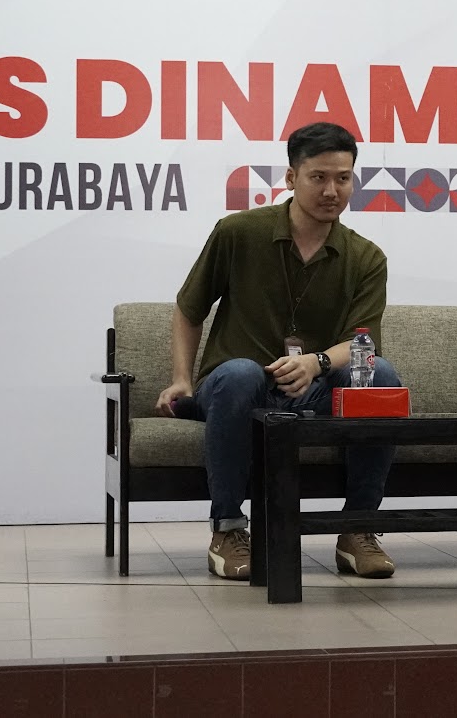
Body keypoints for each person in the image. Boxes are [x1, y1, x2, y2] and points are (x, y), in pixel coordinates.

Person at [156, 122, 400, 580]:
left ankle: (358, 527)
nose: (331, 191)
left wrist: (316, 362)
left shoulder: (366, 257)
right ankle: (228, 530)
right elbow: (189, 308)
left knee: (380, 375)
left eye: (343, 178)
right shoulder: (239, 232)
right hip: (235, 388)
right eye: (318, 177)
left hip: (311, 391)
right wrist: (182, 379)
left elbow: (362, 343)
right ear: (291, 178)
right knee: (242, 373)